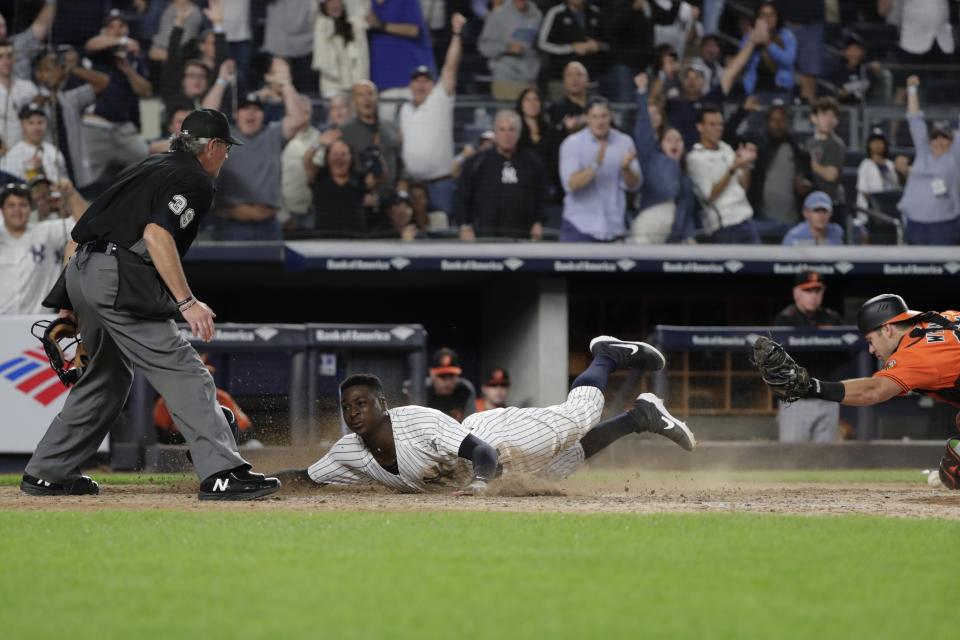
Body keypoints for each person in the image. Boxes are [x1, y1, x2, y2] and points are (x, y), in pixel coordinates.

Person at [20, 108, 280, 500]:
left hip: (82, 271)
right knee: (186, 371)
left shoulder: (148, 166)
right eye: (226, 148)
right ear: (212, 146)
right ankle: (223, 473)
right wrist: (187, 301)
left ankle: (48, 472)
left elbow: (78, 234)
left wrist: (67, 303)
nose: (226, 156)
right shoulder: (195, 178)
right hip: (119, 277)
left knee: (105, 379)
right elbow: (158, 235)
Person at [273, 336, 694, 494]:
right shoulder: (350, 450)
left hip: (493, 439)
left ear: (383, 404)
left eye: (362, 402)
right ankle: (640, 417)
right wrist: (261, 483)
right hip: (481, 463)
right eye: (347, 407)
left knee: (577, 416)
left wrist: (477, 486)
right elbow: (308, 477)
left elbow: (483, 453)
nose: (353, 412)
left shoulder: (417, 419)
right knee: (562, 464)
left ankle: (606, 356)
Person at [754, 294, 960, 488]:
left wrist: (811, 386)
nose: (871, 350)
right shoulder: (944, 317)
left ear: (887, 329)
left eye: (871, 340)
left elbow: (873, 390)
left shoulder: (917, 355)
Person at [201, 58, 309, 240]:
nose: (250, 113)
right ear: (236, 114)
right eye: (245, 109)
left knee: (272, 270)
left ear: (263, 114)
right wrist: (221, 81)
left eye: (256, 109)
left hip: (268, 226)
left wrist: (286, 83)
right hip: (229, 226)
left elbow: (298, 119)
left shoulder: (273, 134)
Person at [399, 14, 466, 217]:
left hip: (440, 185)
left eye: (426, 81)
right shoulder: (404, 109)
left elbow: (450, 67)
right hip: (412, 186)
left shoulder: (439, 100)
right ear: (410, 85)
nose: (420, 85)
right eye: (416, 81)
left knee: (443, 239)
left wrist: (456, 34)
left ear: (432, 84)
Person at [770, 271, 845, 442]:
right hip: (796, 401)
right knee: (793, 458)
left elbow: (845, 357)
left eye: (817, 291)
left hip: (827, 398)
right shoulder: (785, 320)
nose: (813, 296)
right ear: (796, 292)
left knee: (826, 459)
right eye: (808, 291)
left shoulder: (832, 318)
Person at [83, 10, 152, 186]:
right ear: (104, 30)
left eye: (121, 26)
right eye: (111, 26)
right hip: (96, 126)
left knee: (144, 162)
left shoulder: (134, 57)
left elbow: (145, 91)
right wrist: (122, 41)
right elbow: (91, 44)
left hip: (123, 128)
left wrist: (128, 69)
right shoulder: (99, 52)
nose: (117, 30)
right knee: (86, 176)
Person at [559, 97, 642, 242]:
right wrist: (596, 164)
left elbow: (635, 185)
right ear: (587, 118)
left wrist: (626, 168)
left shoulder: (624, 142)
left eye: (604, 116)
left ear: (611, 116)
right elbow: (570, 185)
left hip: (613, 228)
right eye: (595, 117)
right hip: (580, 228)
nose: (600, 122)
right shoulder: (572, 144)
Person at [456, 110, 546, 241]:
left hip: (523, 234)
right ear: (495, 133)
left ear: (519, 133)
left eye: (511, 130)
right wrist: (465, 226)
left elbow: (541, 196)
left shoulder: (532, 162)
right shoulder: (477, 162)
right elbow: (462, 196)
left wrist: (539, 222)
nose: (507, 135)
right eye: (502, 130)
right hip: (484, 235)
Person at [630, 72, 697, 244]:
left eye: (678, 140)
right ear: (662, 144)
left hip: (673, 230)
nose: (674, 143)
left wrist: (688, 236)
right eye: (669, 140)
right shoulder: (651, 156)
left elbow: (687, 210)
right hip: (649, 221)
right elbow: (644, 131)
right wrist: (642, 92)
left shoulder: (686, 178)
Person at [33, 45, 111, 188]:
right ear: (39, 74)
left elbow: (103, 81)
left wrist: (71, 69)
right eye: (47, 69)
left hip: (75, 167)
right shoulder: (34, 100)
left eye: (54, 67)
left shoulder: (70, 99)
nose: (52, 72)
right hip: (48, 171)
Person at [0, 182, 82, 315]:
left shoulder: (46, 232)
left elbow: (84, 224)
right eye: (11, 205)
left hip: (37, 321)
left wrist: (70, 193)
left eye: (23, 205)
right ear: (2, 210)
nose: (17, 210)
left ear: (30, 209)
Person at [897, 75, 960, 245]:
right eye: (935, 137)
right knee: (916, 268)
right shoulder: (923, 152)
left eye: (945, 138)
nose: (939, 141)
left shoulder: (955, 156)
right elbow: (915, 119)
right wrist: (911, 90)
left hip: (943, 224)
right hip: (915, 222)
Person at [685, 106, 759, 243]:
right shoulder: (695, 158)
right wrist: (732, 169)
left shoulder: (726, 148)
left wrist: (746, 164)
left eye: (720, 124)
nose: (718, 128)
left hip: (746, 219)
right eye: (712, 124)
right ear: (700, 127)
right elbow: (709, 195)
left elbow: (743, 186)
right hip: (725, 226)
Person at [339, 80, 403, 197]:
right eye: (361, 95)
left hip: (391, 196)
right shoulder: (345, 132)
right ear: (354, 101)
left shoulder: (390, 127)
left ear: (377, 97)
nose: (366, 99)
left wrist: (403, 186)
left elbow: (399, 159)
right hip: (360, 197)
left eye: (370, 94)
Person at [366, 0, 435, 107]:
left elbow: (414, 30)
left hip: (410, 82)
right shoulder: (366, 4)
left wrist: (381, 25)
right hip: (381, 83)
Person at [304, 138, 375, 237]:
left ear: (350, 157)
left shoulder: (360, 178)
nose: (339, 158)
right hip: (324, 236)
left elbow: (382, 175)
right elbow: (307, 160)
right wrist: (319, 144)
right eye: (334, 154)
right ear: (327, 157)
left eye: (343, 154)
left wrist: (376, 155)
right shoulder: (319, 176)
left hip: (356, 236)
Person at [537, 0, 608, 94]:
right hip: (560, 79)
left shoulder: (596, 12)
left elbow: (609, 44)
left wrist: (598, 45)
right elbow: (542, 44)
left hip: (590, 80)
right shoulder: (556, 12)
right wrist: (571, 48)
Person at [477, 0, 543, 101]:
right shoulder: (498, 15)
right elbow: (484, 47)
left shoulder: (537, 15)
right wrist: (507, 48)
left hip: (530, 81)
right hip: (506, 82)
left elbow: (541, 44)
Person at [734, 2, 796, 102]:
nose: (768, 18)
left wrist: (768, 43)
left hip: (781, 89)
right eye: (764, 15)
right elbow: (741, 63)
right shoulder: (749, 37)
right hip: (754, 90)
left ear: (777, 17)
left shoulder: (786, 36)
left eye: (772, 15)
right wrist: (753, 42)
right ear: (757, 18)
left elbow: (788, 60)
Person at [312, 0, 370, 98]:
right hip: (331, 84)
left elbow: (362, 60)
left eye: (338, 1)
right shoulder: (321, 25)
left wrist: (360, 84)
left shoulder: (355, 26)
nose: (335, 5)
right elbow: (323, 58)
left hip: (354, 84)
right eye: (331, 2)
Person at [1, 103, 68, 183]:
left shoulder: (54, 151)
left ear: (46, 123)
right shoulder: (13, 156)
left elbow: (64, 183)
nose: (36, 128)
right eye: (31, 123)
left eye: (40, 122)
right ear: (22, 125)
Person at [775, 0, 823, 103]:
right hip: (786, 24)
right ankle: (781, 106)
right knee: (783, 71)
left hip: (812, 26)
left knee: (809, 75)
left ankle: (808, 112)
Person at [0, 0, 55, 81]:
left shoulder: (18, 43)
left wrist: (51, 1)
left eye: (2, 26)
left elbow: (41, 26)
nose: (1, 31)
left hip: (25, 91)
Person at [0, 37, 39, 149]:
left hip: (29, 153)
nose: (6, 61)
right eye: (0, 57)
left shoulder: (28, 87)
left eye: (9, 56)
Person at [856, 128, 902, 212]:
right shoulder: (865, 165)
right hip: (872, 210)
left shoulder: (890, 165)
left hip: (891, 206)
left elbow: (896, 188)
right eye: (874, 141)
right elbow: (864, 192)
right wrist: (879, 203)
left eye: (880, 141)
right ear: (869, 144)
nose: (877, 144)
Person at [424, 347, 476, 421]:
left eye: (451, 376)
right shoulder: (421, 389)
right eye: (442, 376)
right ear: (431, 374)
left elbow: (471, 424)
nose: (447, 381)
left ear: (458, 375)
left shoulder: (465, 389)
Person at [547, 61, 589, 143]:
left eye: (579, 74)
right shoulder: (556, 108)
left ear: (587, 79)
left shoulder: (597, 104)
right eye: (569, 75)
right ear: (564, 82)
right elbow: (553, 137)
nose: (574, 79)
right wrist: (565, 128)